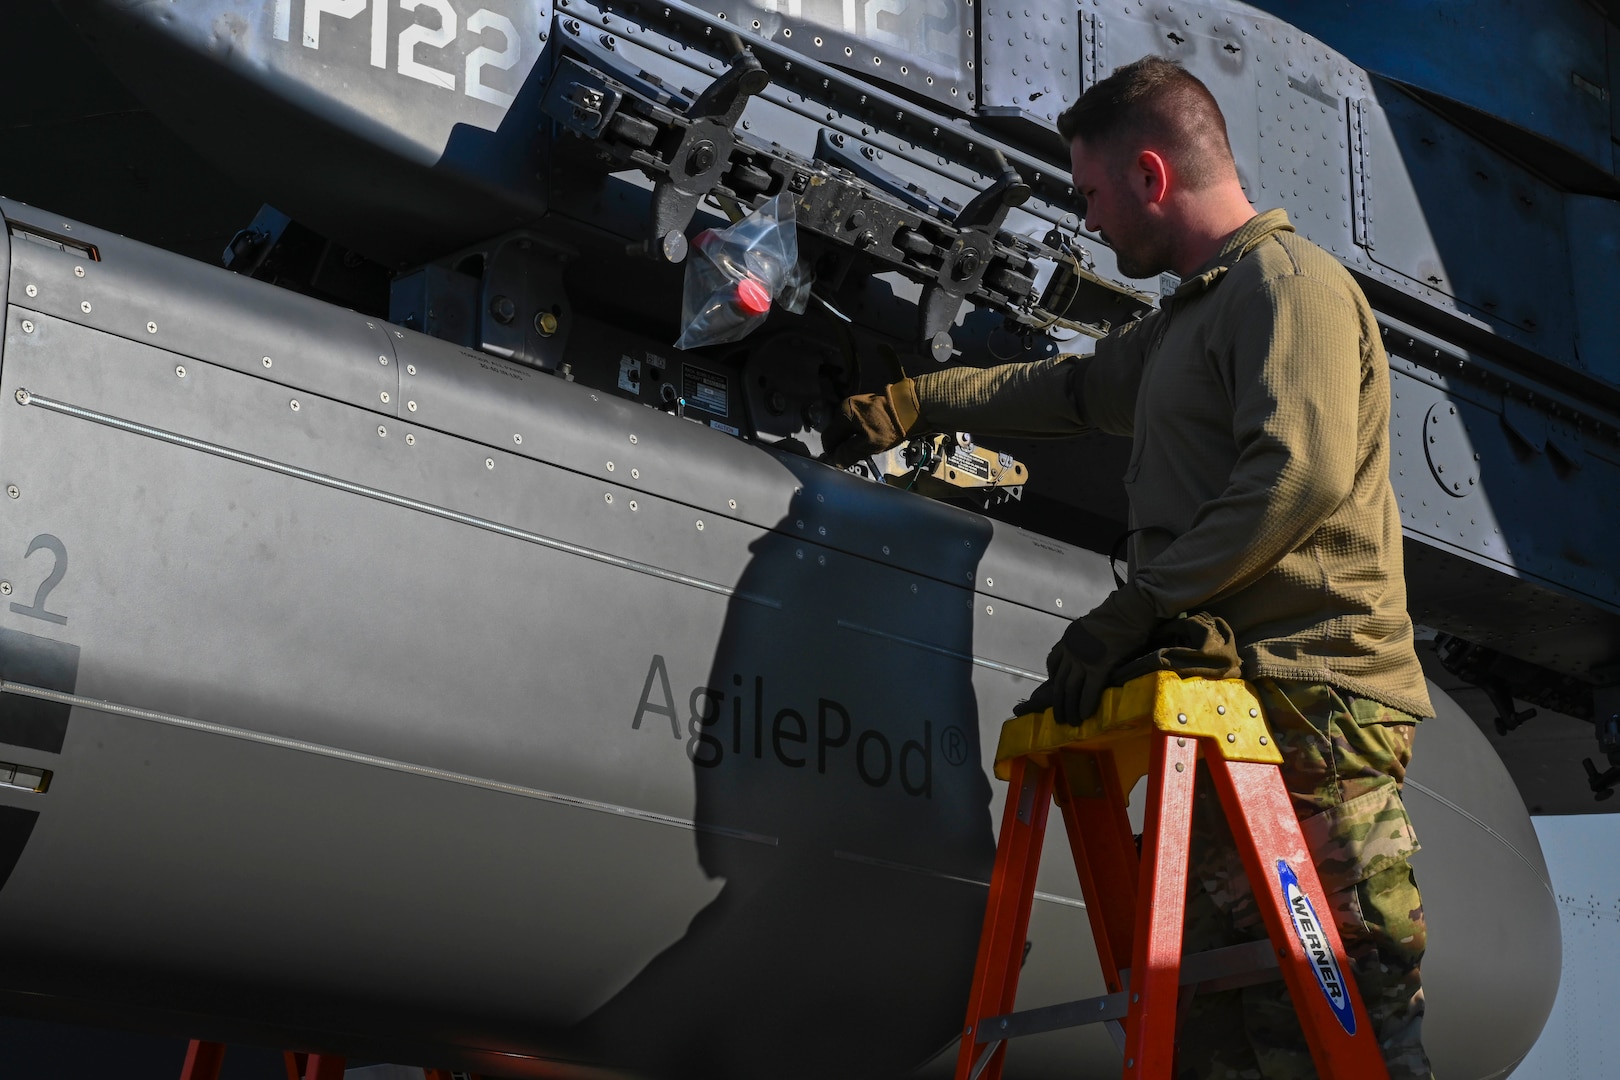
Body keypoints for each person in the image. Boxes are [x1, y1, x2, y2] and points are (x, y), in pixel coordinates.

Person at [823, 56, 1434, 1080]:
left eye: (1093, 193)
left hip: (1312, 711)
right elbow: (1071, 391)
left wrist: (1135, 608)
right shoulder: (1193, 319)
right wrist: (927, 399)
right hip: (1229, 719)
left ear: (1152, 175)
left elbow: (1301, 476)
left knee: (1347, 1031)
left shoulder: (1291, 290)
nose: (1089, 218)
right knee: (1220, 1046)